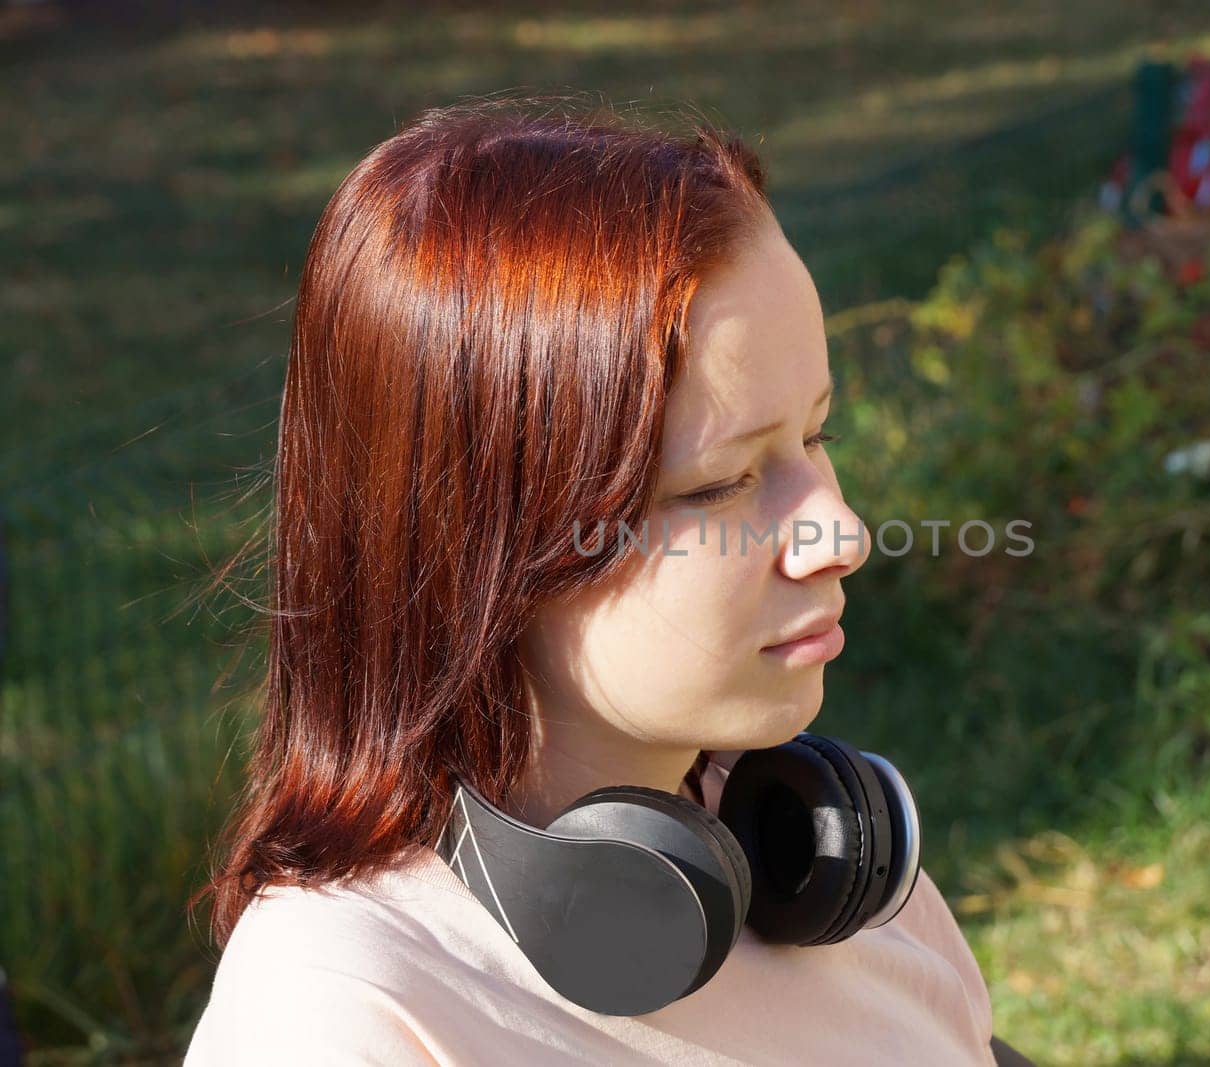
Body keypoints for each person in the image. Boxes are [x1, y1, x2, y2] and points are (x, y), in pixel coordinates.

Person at [184, 97, 1028, 1065]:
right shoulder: (341, 1011)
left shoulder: (839, 872)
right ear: (483, 551)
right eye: (719, 483)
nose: (840, 532)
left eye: (815, 434)